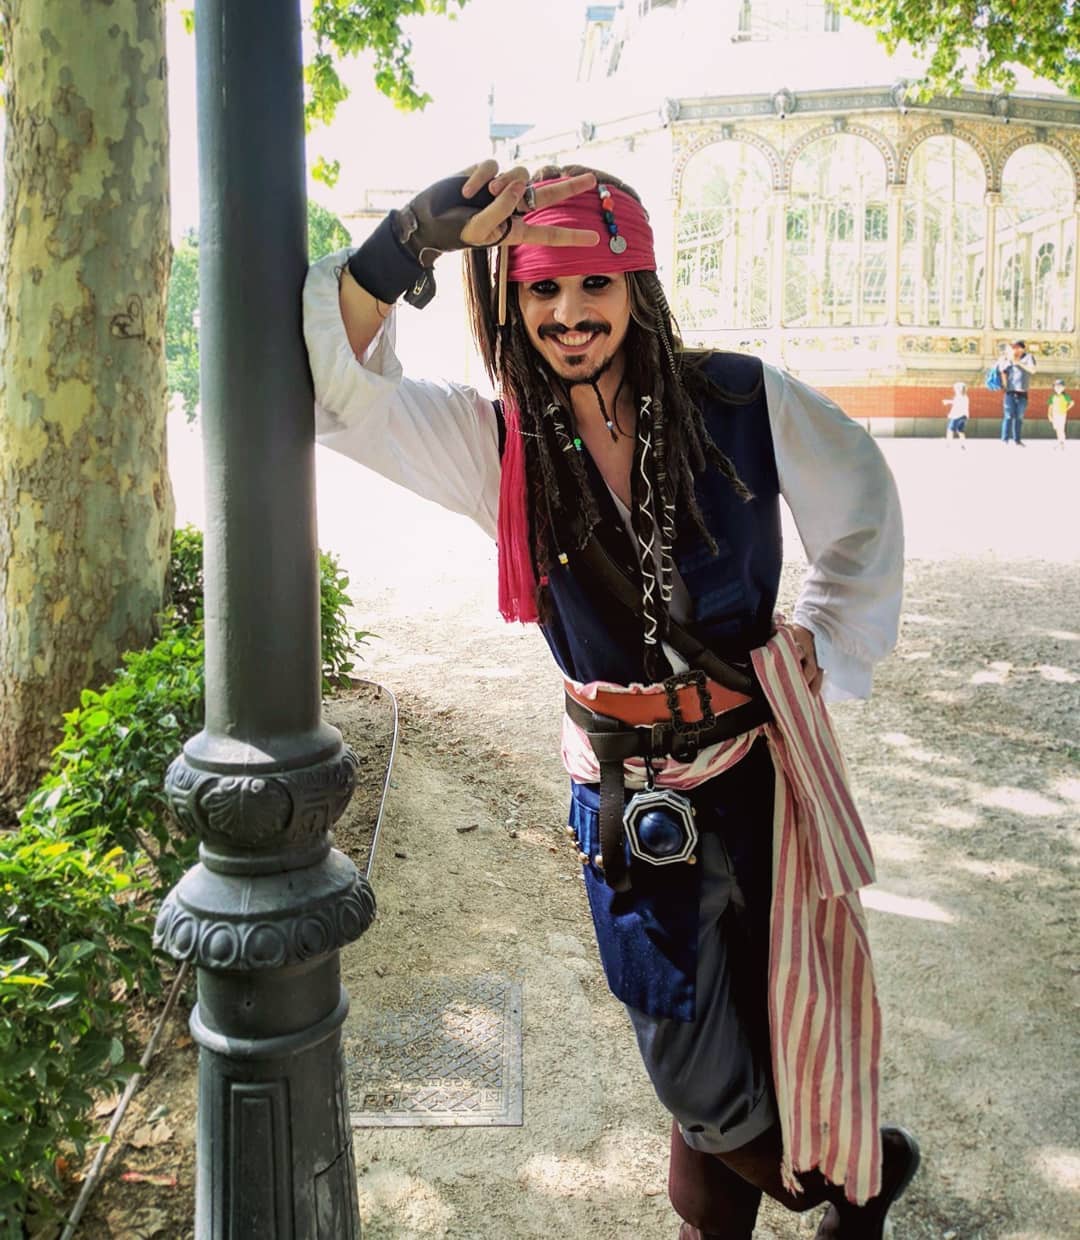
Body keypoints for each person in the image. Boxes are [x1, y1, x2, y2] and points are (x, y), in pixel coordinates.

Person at [303, 161, 917, 1239]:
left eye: (594, 283)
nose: (570, 313)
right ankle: (859, 1180)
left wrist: (820, 636)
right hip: (630, 799)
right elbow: (338, 392)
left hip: (757, 768)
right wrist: (409, 241)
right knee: (683, 1046)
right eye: (542, 288)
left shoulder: (741, 398)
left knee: (775, 1007)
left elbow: (861, 493)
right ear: (513, 299)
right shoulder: (496, 446)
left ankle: (746, 1214)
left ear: (637, 283)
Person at [997, 340, 1037, 446]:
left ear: (1022, 348)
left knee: (1019, 417)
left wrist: (1019, 362)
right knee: (1008, 416)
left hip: (1022, 392)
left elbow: (1033, 370)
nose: (1015, 349)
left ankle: (1017, 440)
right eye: (1013, 347)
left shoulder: (1028, 357)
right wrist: (1004, 359)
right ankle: (1004, 439)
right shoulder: (1008, 358)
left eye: (1017, 347)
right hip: (1010, 392)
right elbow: (1003, 371)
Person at [1047, 378, 1073, 450]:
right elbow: (1050, 406)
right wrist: (1049, 415)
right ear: (1054, 388)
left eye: (1060, 386)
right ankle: (1060, 441)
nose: (1058, 388)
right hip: (1055, 414)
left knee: (1061, 428)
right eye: (1056, 386)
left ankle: (1061, 442)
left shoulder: (1065, 396)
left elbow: (1072, 403)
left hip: (1062, 414)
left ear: (1063, 388)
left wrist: (1066, 408)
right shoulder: (1052, 397)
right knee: (1057, 428)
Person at [942, 380, 970, 447]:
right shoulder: (965, 397)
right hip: (964, 416)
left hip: (957, 416)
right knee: (960, 430)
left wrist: (947, 402)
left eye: (956, 388)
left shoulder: (959, 396)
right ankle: (963, 444)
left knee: (950, 429)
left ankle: (948, 443)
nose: (954, 390)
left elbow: (956, 405)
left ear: (959, 389)